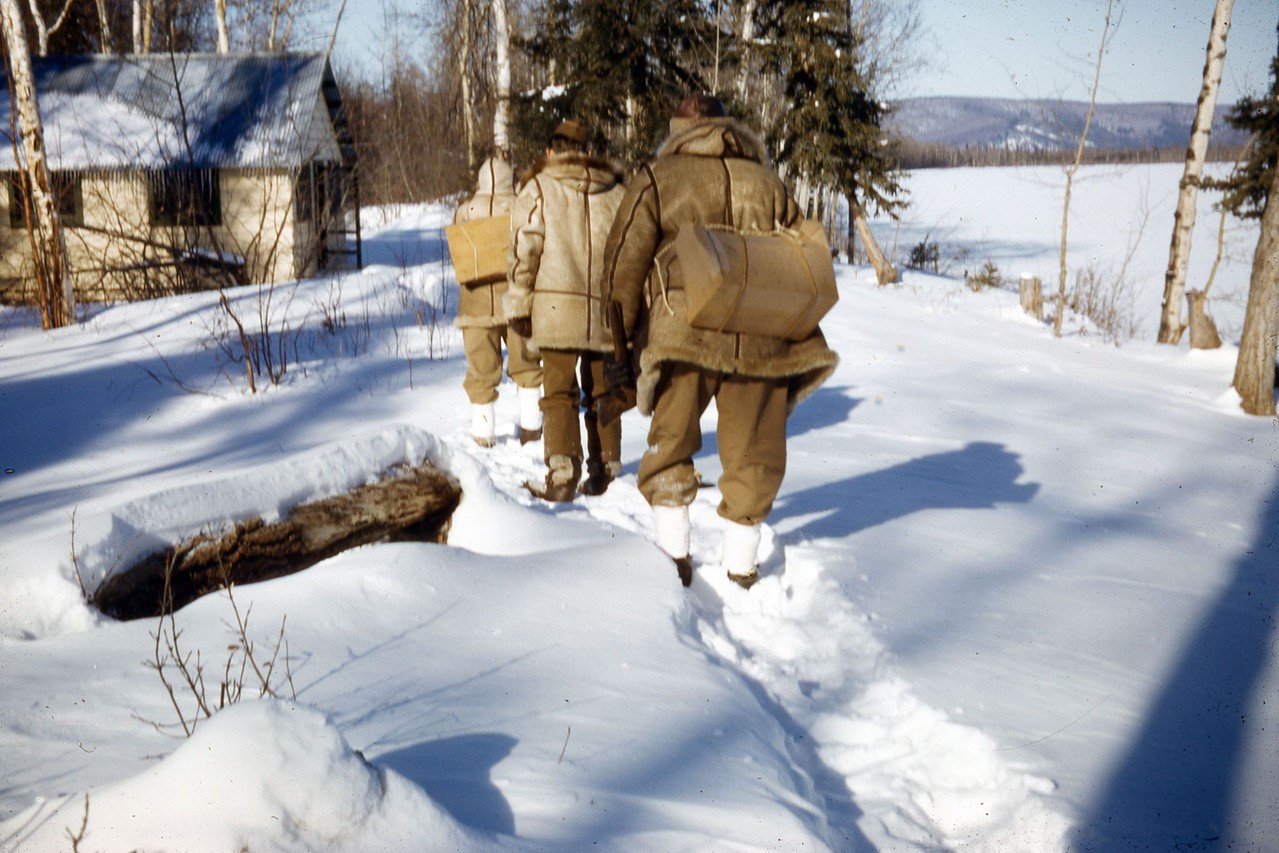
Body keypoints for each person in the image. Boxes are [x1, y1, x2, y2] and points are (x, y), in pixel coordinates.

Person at [601, 95, 838, 588]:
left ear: (679, 130)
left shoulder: (658, 177)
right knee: (755, 452)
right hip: (764, 330)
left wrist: (618, 341)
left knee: (671, 444)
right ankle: (742, 569)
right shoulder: (768, 182)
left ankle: (674, 561)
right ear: (731, 128)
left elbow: (623, 261)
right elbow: (803, 255)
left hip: (682, 329)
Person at [505, 120, 627, 502]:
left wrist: (520, 299)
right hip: (605, 308)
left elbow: (525, 248)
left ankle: (562, 470)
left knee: (558, 389)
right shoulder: (617, 192)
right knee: (603, 386)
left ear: (550, 153)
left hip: (556, 304)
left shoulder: (538, 188)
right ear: (589, 153)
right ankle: (606, 465)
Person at [453, 153, 543, 447]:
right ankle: (531, 432)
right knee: (527, 365)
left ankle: (484, 435)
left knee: (480, 371)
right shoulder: (520, 206)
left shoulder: (464, 211)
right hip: (515, 300)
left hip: (474, 305)